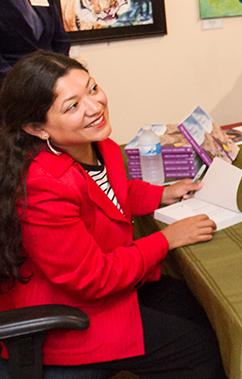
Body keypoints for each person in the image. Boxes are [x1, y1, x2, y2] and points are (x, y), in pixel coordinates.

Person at [0, 51, 226, 378]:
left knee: (202, 307)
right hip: (65, 313)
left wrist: (161, 194)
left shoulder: (100, 145)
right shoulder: (43, 186)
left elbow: (111, 192)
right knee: (199, 351)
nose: (95, 107)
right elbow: (93, 277)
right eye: (73, 105)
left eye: (92, 89)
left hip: (104, 287)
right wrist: (165, 239)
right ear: (38, 128)